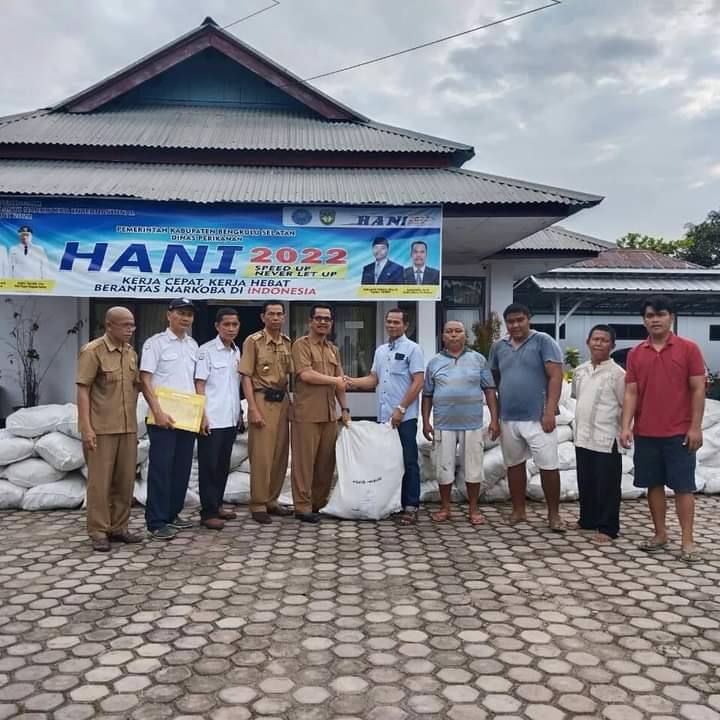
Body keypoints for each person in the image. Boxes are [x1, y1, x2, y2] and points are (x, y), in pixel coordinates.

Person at [620, 295, 706, 563]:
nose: (654, 319)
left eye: (660, 314)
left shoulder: (688, 349)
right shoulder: (636, 353)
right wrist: (626, 426)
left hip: (679, 433)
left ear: (672, 317)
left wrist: (695, 428)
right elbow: (631, 392)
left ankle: (688, 541)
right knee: (653, 486)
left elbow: (698, 389)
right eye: (649, 315)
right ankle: (660, 534)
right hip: (646, 432)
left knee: (683, 487)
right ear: (644, 321)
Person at [489, 303, 567, 531]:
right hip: (509, 418)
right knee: (514, 465)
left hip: (538, 418)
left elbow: (556, 376)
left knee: (548, 466)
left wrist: (550, 411)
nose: (515, 325)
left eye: (519, 320)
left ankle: (554, 515)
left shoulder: (543, 341)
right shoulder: (499, 347)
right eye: (510, 321)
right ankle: (518, 511)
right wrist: (495, 417)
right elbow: (492, 382)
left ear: (528, 319)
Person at [346, 309, 424, 525]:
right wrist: (349, 381)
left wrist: (401, 408)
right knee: (388, 463)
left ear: (405, 325)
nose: (391, 326)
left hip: (404, 417)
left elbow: (418, 382)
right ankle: (392, 504)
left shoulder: (413, 349)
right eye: (389, 322)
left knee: (409, 461)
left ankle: (411, 506)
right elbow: (373, 380)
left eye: (396, 322)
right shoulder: (380, 351)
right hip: (384, 418)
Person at [76, 306, 143, 552]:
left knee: (124, 481)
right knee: (100, 483)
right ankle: (99, 531)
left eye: (132, 325)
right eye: (125, 325)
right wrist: (86, 428)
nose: (130, 330)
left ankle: (119, 528)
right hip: (102, 428)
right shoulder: (93, 352)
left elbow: (136, 387)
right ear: (109, 326)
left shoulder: (130, 353)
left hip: (127, 427)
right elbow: (83, 389)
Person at [421, 321, 499, 525]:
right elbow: (427, 395)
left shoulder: (478, 360)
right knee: (443, 467)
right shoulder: (434, 362)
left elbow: (490, 390)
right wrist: (426, 423)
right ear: (443, 336)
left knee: (473, 468)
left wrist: (494, 420)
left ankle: (473, 509)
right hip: (443, 424)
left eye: (458, 331)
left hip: (472, 424)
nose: (453, 335)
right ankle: (445, 507)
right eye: (449, 331)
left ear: (465, 336)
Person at [140, 297, 199, 540]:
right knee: (160, 469)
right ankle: (156, 521)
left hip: (187, 418)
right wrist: (158, 411)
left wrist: (200, 415)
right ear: (169, 315)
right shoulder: (155, 344)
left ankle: (173, 513)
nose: (185, 318)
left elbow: (195, 382)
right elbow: (145, 380)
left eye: (189, 314)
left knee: (182, 469)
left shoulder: (193, 345)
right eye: (180, 313)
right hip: (162, 418)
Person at [291, 303, 351, 523]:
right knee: (304, 464)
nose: (323, 322)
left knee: (326, 463)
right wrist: (335, 380)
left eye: (327, 319)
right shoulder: (301, 345)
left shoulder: (332, 349)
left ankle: (318, 503)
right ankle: (302, 506)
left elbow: (340, 384)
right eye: (319, 318)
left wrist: (344, 408)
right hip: (306, 414)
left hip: (329, 415)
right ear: (310, 321)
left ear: (331, 323)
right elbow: (306, 374)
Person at [239, 302, 294, 524]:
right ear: (263, 317)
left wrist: (291, 403)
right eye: (271, 314)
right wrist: (252, 408)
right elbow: (245, 376)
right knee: (261, 455)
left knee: (280, 454)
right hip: (261, 399)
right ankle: (258, 503)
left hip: (282, 400)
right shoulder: (253, 342)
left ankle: (272, 500)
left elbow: (290, 376)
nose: (275, 318)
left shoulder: (287, 343)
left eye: (279, 314)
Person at [571, 324, 625, 544]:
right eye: (595, 339)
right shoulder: (580, 371)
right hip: (583, 436)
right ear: (588, 342)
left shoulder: (618, 374)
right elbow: (576, 395)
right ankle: (587, 520)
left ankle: (608, 527)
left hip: (606, 437)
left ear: (612, 345)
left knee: (608, 485)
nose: (599, 343)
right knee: (586, 481)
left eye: (604, 340)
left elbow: (625, 404)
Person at [194, 307, 244, 531]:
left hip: (230, 418)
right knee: (209, 466)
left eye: (235, 325)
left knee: (223, 465)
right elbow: (200, 385)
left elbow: (235, 386)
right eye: (227, 325)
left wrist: (240, 413)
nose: (231, 329)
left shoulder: (236, 351)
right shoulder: (206, 351)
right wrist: (202, 415)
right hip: (212, 419)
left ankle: (218, 504)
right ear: (217, 326)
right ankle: (208, 513)